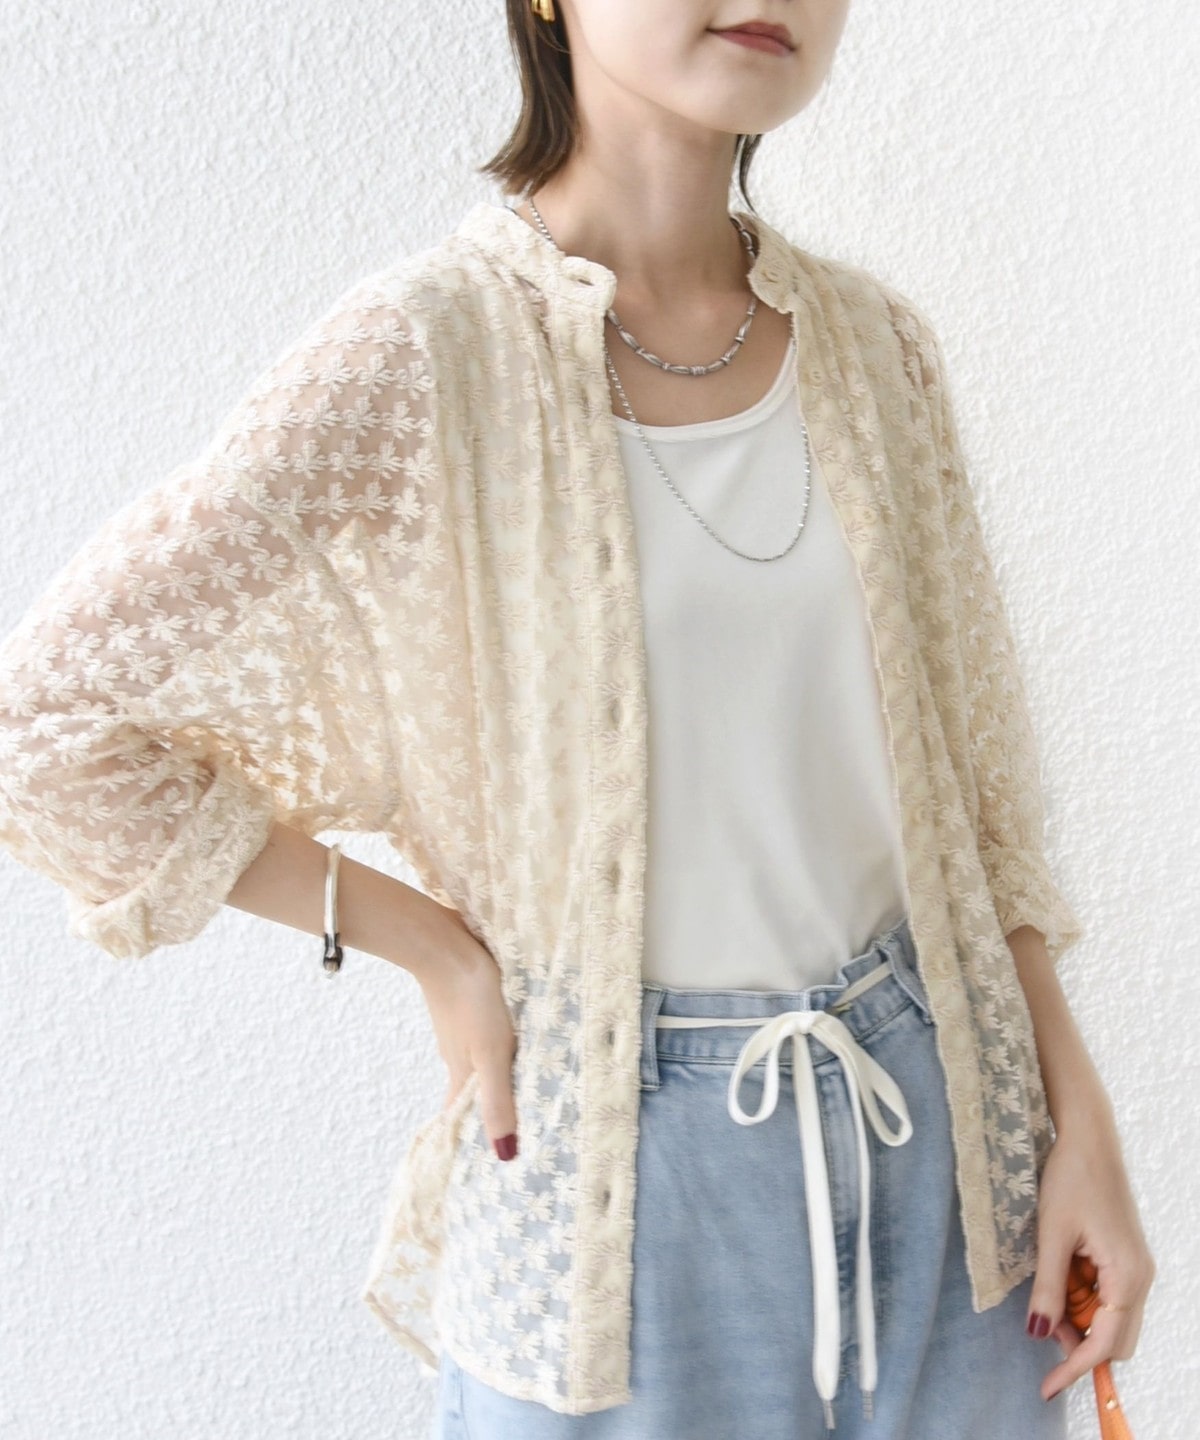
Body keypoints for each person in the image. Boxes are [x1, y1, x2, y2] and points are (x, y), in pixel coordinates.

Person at [0, 1, 1154, 1437]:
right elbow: (49, 721)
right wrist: (432, 947)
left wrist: (1080, 1124)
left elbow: (984, 805)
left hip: (948, 1152)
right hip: (617, 1193)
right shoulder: (427, 355)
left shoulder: (877, 350)